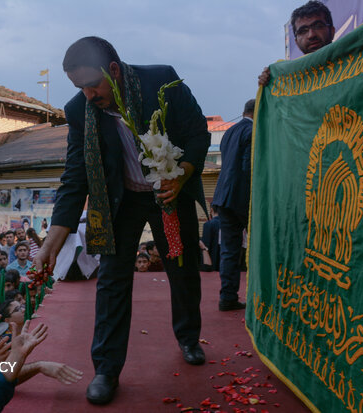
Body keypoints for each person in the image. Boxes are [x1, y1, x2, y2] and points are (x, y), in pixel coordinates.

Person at [34, 36, 210, 405]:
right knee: (111, 283)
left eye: (92, 85)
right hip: (119, 202)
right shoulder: (80, 111)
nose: (87, 95)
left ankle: (188, 337)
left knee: (182, 268)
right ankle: (106, 370)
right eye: (79, 87)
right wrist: (54, 238)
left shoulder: (161, 82)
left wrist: (183, 174)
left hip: (169, 194)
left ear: (113, 71)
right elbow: (75, 175)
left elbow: (198, 133)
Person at [211, 99, 255, 311]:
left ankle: (227, 296)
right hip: (243, 199)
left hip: (223, 197)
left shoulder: (229, 132)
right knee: (257, 247)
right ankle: (260, 295)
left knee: (229, 250)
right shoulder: (253, 132)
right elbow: (249, 168)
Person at [258, 0, 335, 86]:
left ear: (332, 31)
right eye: (303, 31)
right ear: (296, 42)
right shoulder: (288, 80)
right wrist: (269, 86)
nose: (311, 35)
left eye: (318, 26)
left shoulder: (352, 62)